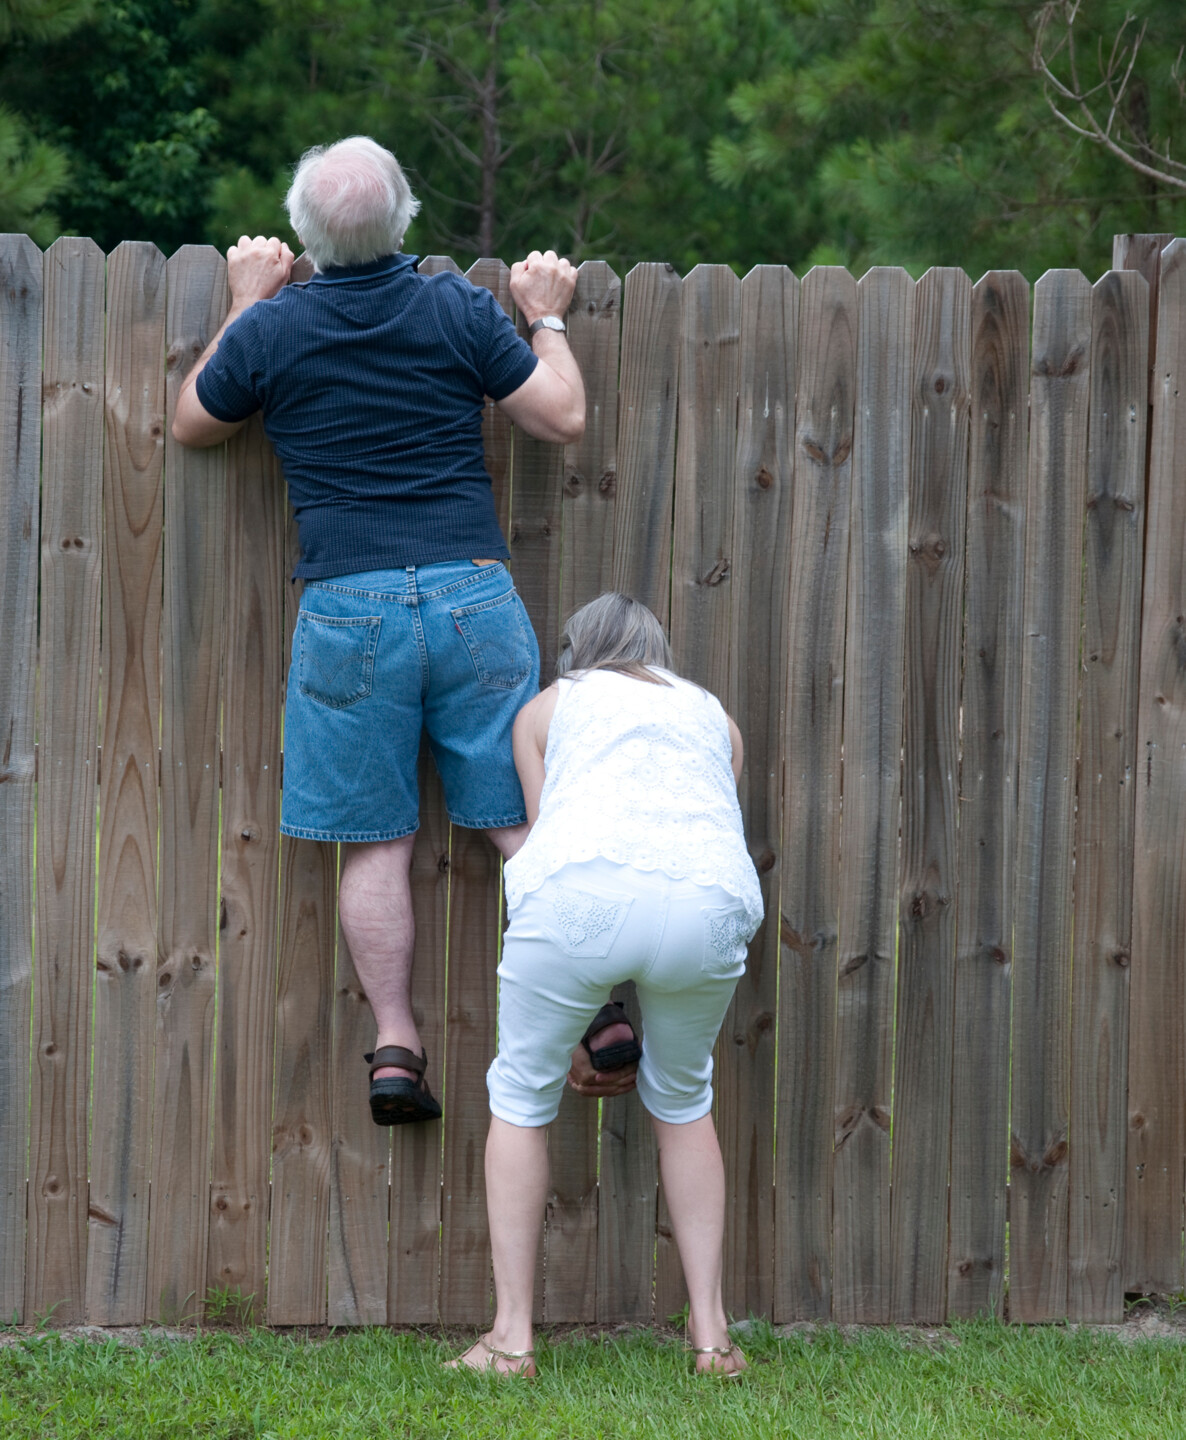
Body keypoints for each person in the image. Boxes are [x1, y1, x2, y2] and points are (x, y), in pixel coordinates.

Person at [171, 136, 635, 1125]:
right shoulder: (456, 307)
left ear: (300, 236)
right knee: (517, 815)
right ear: (406, 217)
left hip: (349, 606)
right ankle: (598, 1010)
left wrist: (248, 298)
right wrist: (545, 316)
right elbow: (561, 417)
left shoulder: (272, 330)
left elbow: (191, 421)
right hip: (472, 596)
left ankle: (396, 1048)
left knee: (376, 843)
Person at [449, 593, 764, 1378]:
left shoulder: (548, 709)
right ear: (657, 653)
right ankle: (712, 1339)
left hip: (578, 896)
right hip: (713, 902)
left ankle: (512, 1338)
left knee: (522, 1095)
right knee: (685, 1098)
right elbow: (693, 831)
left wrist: (585, 1017)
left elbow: (554, 837)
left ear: (576, 651)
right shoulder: (715, 719)